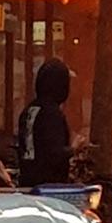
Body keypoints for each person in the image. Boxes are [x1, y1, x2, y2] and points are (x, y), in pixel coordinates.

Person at [17, 58, 73, 187]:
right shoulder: (51, 113)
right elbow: (53, 153)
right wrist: (73, 149)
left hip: (27, 180)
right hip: (48, 186)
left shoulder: (29, 110)